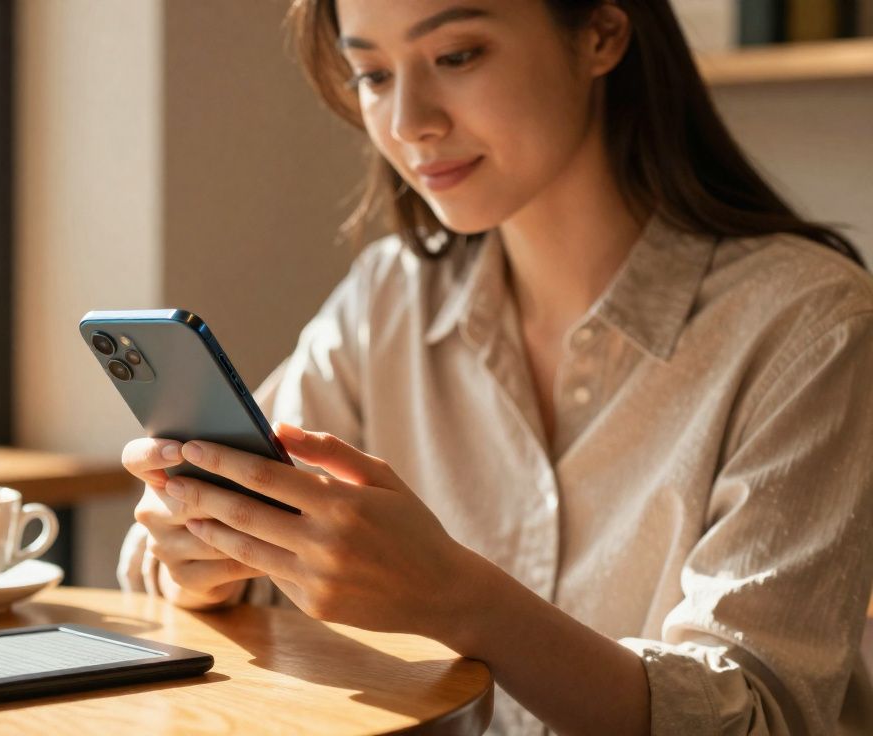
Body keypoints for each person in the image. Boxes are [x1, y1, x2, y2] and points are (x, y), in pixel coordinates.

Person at [117, 1, 873, 733]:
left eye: (456, 56)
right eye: (373, 75)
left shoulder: (808, 326)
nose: (411, 122)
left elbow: (757, 721)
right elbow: (170, 559)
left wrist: (459, 598)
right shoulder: (389, 298)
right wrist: (205, 560)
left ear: (602, 34)